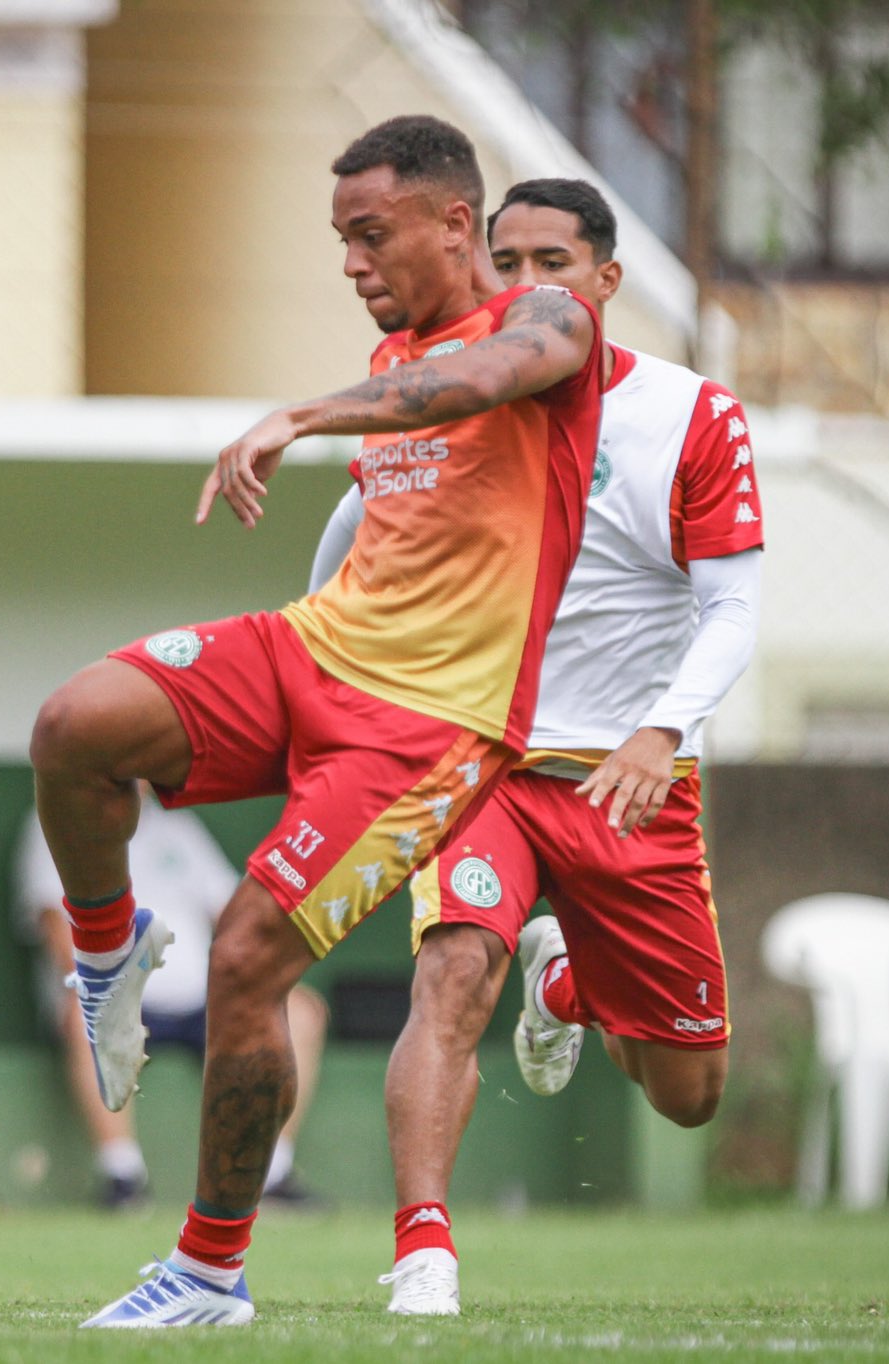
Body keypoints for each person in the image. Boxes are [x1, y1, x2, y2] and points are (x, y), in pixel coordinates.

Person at [31, 115, 604, 1328]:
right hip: (313, 650)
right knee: (75, 721)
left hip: (425, 726)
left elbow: (484, 378)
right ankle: (105, 956)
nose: (350, 261)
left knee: (246, 959)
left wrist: (296, 414)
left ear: (458, 224)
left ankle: (207, 1270)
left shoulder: (544, 326)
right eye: (340, 237)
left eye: (369, 233)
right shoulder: (396, 345)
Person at [312, 178, 762, 1314]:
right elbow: (351, 534)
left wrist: (664, 727)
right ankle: (422, 1252)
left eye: (549, 263)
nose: (521, 287)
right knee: (451, 972)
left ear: (604, 281)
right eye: (501, 263)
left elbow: (733, 609)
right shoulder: (453, 394)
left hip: (626, 774)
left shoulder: (690, 416)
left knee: (688, 1090)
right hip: (478, 762)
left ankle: (566, 988)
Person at [13, 792, 328, 1210]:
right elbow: (52, 920)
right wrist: (96, 986)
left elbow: (235, 916)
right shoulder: (56, 819)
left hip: (203, 1000)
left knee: (302, 1010)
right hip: (115, 995)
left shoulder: (178, 828)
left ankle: (270, 1175)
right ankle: (122, 1177)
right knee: (84, 1010)